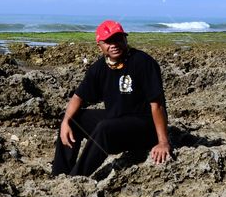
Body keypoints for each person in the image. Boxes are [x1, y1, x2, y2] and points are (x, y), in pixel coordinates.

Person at [52, 20, 172, 177]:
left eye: (118, 39)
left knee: (104, 127)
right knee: (74, 118)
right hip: (117, 120)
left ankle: (76, 178)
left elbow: (158, 106)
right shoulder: (99, 68)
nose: (114, 44)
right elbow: (77, 97)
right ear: (99, 46)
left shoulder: (142, 62)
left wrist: (163, 142)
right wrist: (66, 123)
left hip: (144, 127)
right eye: (108, 41)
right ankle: (59, 175)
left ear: (125, 39)